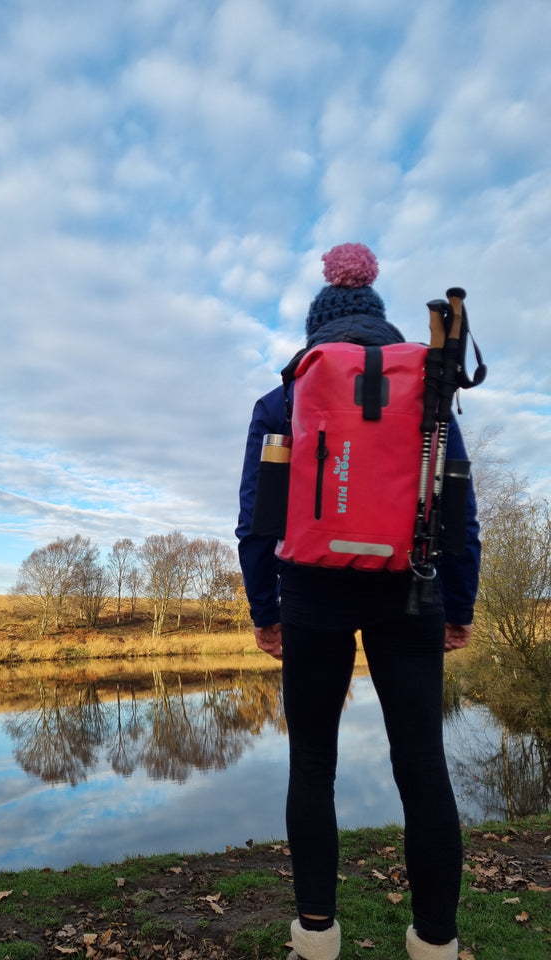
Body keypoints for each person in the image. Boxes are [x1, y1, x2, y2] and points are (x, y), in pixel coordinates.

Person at [235, 243, 481, 960]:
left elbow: (257, 519)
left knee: (313, 762)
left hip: (311, 592)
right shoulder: (428, 388)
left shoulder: (284, 398)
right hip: (413, 589)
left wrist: (265, 610)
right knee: (422, 763)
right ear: (380, 321)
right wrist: (459, 602)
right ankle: (435, 941)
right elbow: (458, 505)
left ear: (318, 331)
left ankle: (316, 937)